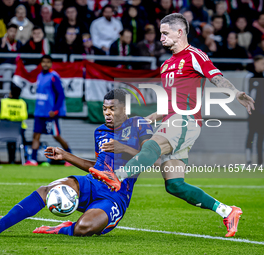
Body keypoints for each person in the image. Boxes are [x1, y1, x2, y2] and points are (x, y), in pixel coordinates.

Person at [89, 13, 255, 238]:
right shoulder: (166, 65)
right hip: (172, 120)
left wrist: (235, 93)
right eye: (160, 34)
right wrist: (151, 118)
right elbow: (169, 103)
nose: (161, 38)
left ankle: (117, 176)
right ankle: (227, 211)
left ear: (180, 32)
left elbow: (217, 77)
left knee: (151, 146)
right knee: (174, 185)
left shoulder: (195, 55)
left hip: (185, 120)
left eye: (165, 33)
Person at [0, 89, 154, 236]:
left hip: (115, 196)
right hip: (91, 183)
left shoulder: (139, 126)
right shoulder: (100, 131)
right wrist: (66, 155)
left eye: (113, 109)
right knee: (47, 190)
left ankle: (61, 228)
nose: (107, 113)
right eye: (105, 109)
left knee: (83, 228)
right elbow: (98, 166)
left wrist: (123, 148)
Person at [24, 55, 71, 166]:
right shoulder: (39, 76)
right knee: (36, 135)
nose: (45, 64)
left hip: (50, 114)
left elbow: (60, 95)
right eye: (43, 62)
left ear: (51, 63)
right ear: (41, 63)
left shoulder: (54, 76)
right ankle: (33, 160)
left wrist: (55, 110)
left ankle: (70, 158)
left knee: (56, 136)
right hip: (39, 112)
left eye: (48, 62)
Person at [244, 55, 264, 165]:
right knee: (251, 135)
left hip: (262, 114)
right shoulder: (250, 77)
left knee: (261, 137)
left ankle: (260, 162)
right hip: (253, 113)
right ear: (256, 63)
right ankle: (248, 161)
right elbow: (245, 93)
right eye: (262, 63)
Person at [0, 23, 22, 90]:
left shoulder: (19, 44)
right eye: (11, 31)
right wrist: (2, 46)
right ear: (7, 31)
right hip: (3, 67)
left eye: (15, 31)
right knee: (8, 70)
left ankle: (18, 94)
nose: (13, 33)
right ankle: (6, 95)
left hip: (15, 67)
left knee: (20, 71)